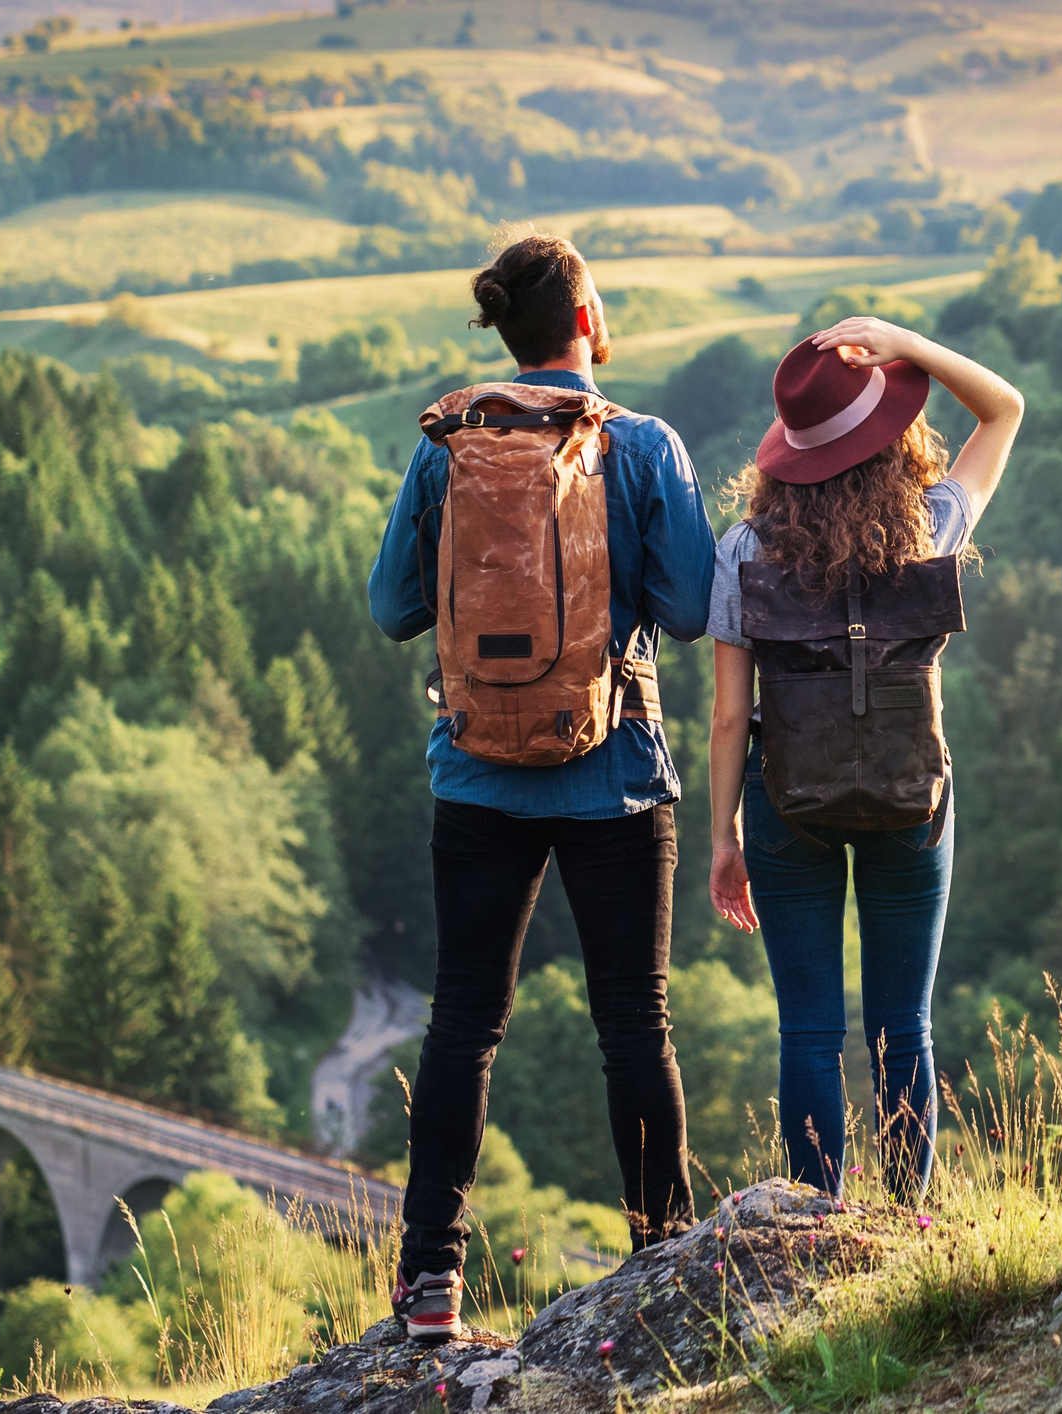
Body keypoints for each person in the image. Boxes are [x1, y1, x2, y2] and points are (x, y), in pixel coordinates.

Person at [366, 233, 715, 1342]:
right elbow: (697, 606)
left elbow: (391, 610)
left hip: (476, 772)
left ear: (505, 331)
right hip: (613, 771)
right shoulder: (643, 445)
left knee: (463, 1021)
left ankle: (430, 1284)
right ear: (589, 319)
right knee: (634, 1022)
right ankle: (661, 1256)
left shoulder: (446, 449)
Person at [706, 317, 1023, 1200]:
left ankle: (814, 1224)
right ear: (891, 441)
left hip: (785, 801)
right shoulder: (932, 525)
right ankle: (909, 1218)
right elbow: (1004, 410)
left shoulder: (745, 550)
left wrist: (723, 838)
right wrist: (908, 345)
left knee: (808, 1032)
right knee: (903, 1026)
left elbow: (731, 718)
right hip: (910, 798)